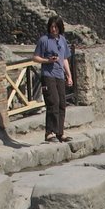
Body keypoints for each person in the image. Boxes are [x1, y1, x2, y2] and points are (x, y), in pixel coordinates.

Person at [33, 15, 73, 143]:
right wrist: (47, 60)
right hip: (48, 75)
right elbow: (35, 57)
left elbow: (65, 58)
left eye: (56, 27)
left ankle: (60, 132)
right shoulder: (44, 40)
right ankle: (49, 132)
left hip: (59, 75)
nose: (53, 29)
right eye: (52, 27)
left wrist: (69, 75)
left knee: (62, 103)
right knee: (53, 102)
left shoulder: (62, 40)